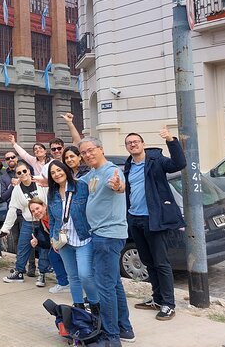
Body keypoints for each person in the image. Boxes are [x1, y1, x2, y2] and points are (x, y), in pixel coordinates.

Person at [124, 126, 186, 321]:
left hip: (154, 219)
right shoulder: (129, 166)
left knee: (161, 263)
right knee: (148, 261)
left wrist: (170, 140)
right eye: (129, 143)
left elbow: (179, 163)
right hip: (135, 219)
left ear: (143, 144)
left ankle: (168, 304)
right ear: (127, 147)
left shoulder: (156, 161)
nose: (133, 144)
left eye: (136, 141)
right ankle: (157, 299)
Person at [78, 136, 134, 346]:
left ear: (101, 149)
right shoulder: (93, 173)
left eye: (91, 150)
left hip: (108, 235)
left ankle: (111, 337)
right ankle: (124, 328)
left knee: (105, 287)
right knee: (114, 283)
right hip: (102, 235)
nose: (87, 155)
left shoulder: (111, 172)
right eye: (84, 153)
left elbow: (119, 187)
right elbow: (75, 182)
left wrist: (119, 186)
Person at [47, 160, 97, 307]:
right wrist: (52, 238)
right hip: (63, 241)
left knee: (85, 275)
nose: (57, 174)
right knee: (73, 277)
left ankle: (96, 306)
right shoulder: (52, 193)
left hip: (83, 238)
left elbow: (93, 206)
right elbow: (51, 218)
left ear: (65, 170)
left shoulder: (80, 186)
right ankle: (79, 308)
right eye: (53, 173)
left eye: (59, 170)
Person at [0, 161, 50, 285]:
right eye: (19, 173)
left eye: (24, 171)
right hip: (28, 222)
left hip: (43, 221)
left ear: (29, 171)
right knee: (23, 247)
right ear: (16, 175)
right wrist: (6, 228)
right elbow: (12, 208)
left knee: (44, 248)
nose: (22, 174)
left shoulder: (39, 183)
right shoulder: (17, 190)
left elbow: (50, 199)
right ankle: (19, 272)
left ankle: (42, 274)